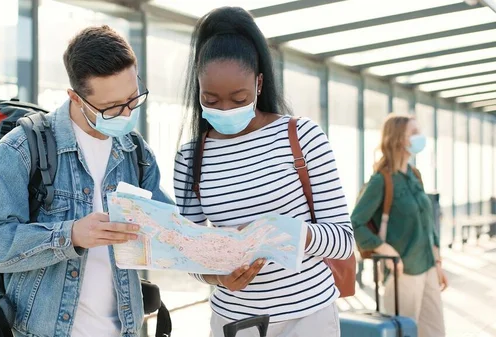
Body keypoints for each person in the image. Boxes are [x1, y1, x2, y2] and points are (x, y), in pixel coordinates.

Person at [0, 25, 171, 337]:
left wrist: (216, 255)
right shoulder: (22, 149)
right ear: (75, 97)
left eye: (133, 99)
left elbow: (167, 230)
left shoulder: (136, 152)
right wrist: (70, 235)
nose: (127, 114)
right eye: (113, 108)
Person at [173, 7, 354, 337]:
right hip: (235, 321)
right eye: (210, 99)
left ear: (258, 84)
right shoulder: (190, 158)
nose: (224, 109)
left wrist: (289, 233)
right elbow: (190, 253)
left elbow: (343, 241)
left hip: (308, 317)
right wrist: (216, 276)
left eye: (238, 98)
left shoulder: (302, 137)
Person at [351, 113, 447, 337]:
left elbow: (427, 222)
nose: (420, 137)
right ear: (397, 139)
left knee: (435, 332)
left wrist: (438, 261)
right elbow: (356, 223)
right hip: (403, 272)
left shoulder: (414, 175)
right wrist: (386, 250)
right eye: (414, 133)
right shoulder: (380, 181)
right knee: (405, 333)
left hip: (429, 267)